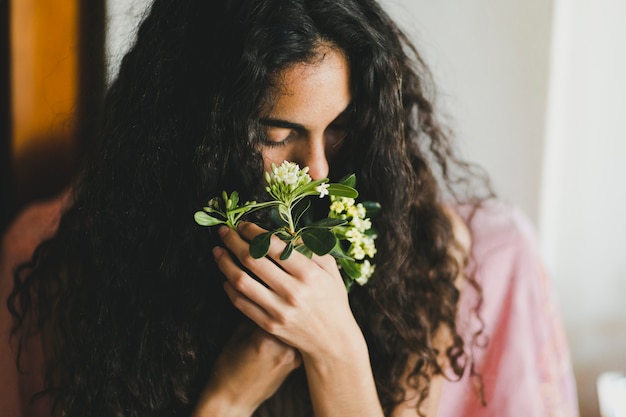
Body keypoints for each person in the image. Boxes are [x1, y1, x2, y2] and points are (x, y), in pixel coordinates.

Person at [1, 0, 579, 416]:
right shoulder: (63, 271)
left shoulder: (442, 263)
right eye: (278, 135)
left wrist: (337, 351)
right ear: (197, 137)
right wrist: (227, 400)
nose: (321, 175)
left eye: (341, 130)